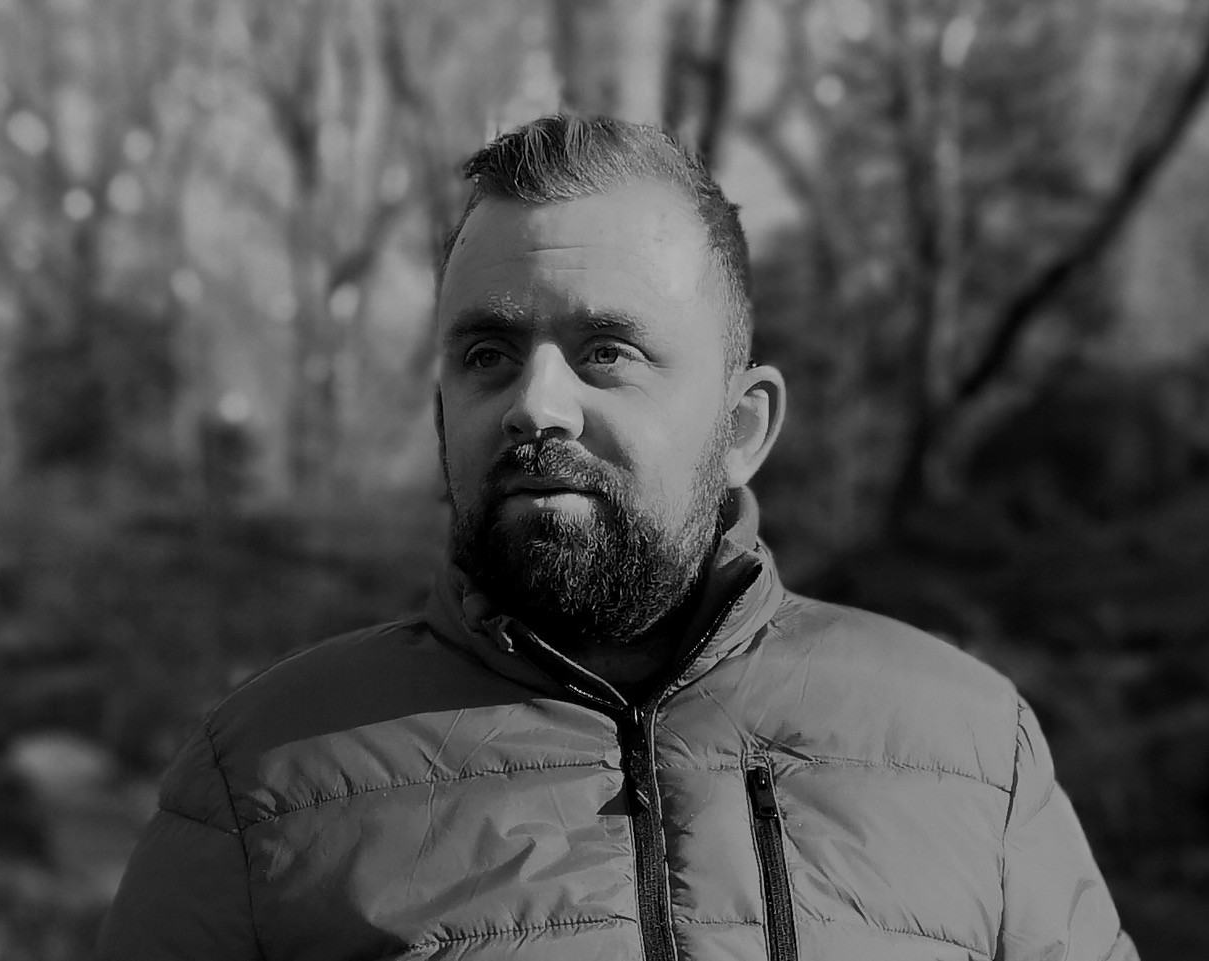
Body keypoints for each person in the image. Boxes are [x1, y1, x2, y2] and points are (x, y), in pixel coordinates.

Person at [95, 115, 1136, 961]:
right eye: (490, 353)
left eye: (607, 351)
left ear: (741, 429)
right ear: (440, 411)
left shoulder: (969, 751)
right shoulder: (262, 782)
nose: (535, 403)